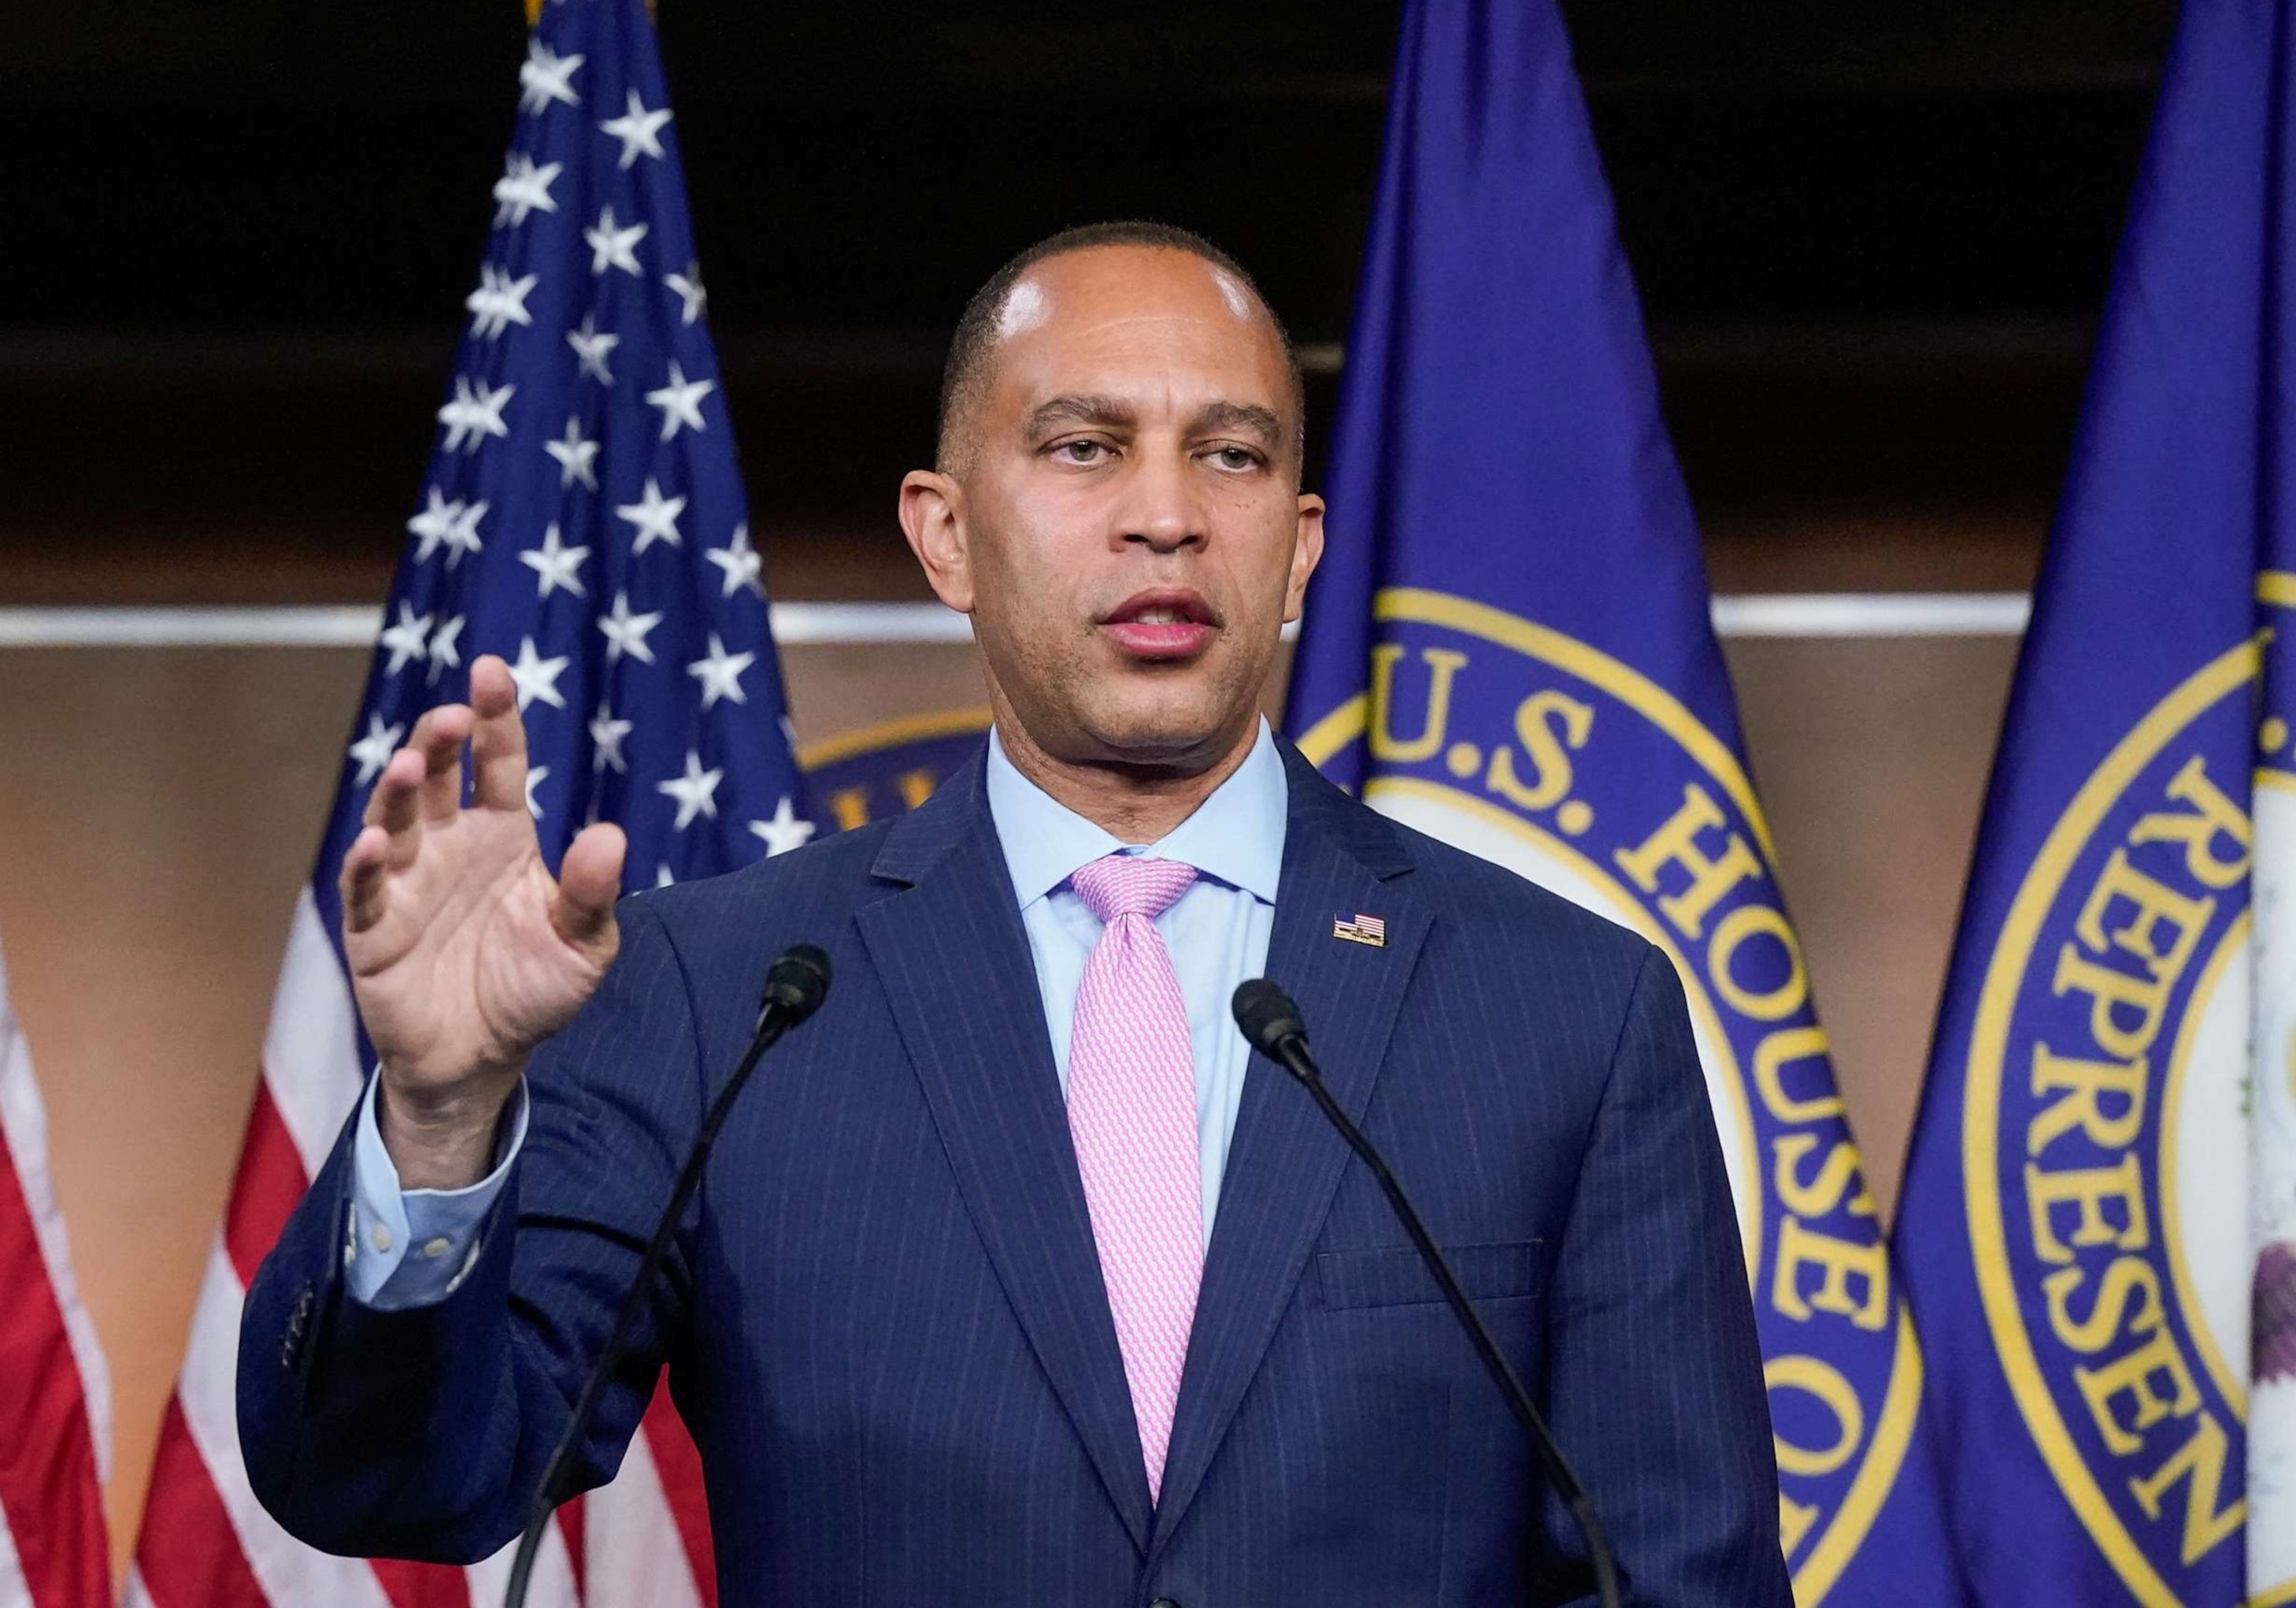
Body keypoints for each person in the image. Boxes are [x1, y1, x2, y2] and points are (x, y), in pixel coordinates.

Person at [237, 220, 1789, 1606]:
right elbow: (400, 1484)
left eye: (1233, 455)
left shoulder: (1567, 1011)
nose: (1168, 516)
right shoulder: (722, 991)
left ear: (1301, 546)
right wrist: (440, 1125)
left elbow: (1678, 1577)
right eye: (1086, 446)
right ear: (947, 534)